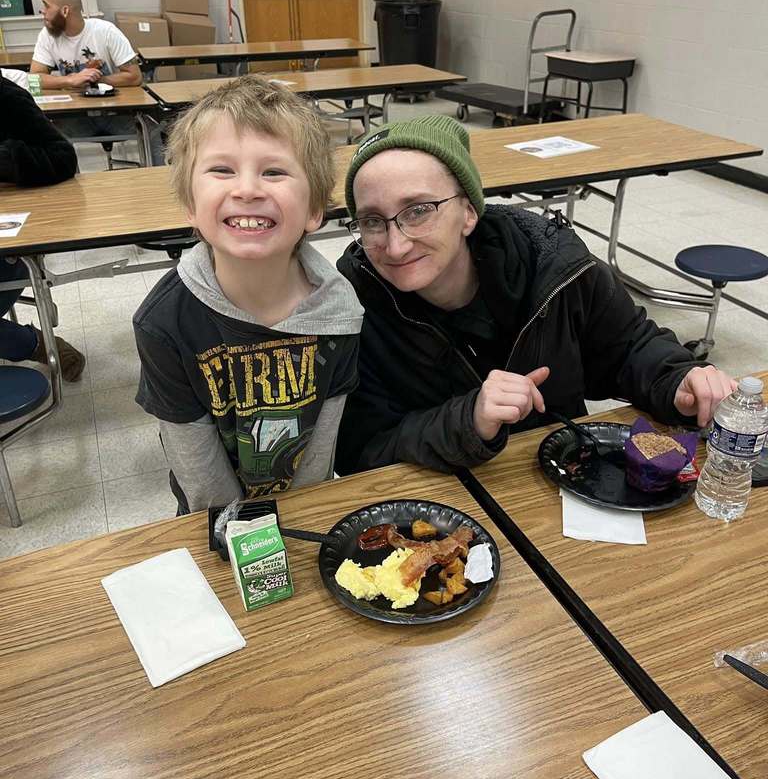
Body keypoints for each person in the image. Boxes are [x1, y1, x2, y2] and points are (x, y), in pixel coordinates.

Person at [334, 115, 736, 475]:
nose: (396, 244)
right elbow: (361, 451)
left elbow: (628, 346)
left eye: (419, 210)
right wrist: (468, 419)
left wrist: (677, 380)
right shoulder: (353, 307)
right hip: (443, 506)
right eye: (372, 221)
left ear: (470, 212)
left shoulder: (556, 267)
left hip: (562, 479)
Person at [132, 75, 363, 513]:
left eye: (274, 171)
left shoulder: (342, 312)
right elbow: (199, 472)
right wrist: (245, 535)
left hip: (303, 506)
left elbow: (320, 455)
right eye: (221, 170)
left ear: (315, 209)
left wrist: (300, 517)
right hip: (213, 516)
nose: (248, 189)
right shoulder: (164, 323)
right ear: (190, 206)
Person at [0, 72, 85, 382]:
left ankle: (38, 346)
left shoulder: (8, 98)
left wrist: (7, 160)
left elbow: (63, 158)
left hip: (9, 249)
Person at [29, 0, 164, 165]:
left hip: (116, 114)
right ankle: (68, 187)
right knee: (45, 133)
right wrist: (71, 79)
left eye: (46, 5)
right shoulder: (47, 37)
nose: (42, 11)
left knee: (151, 129)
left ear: (65, 11)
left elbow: (134, 76)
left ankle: (158, 183)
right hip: (74, 118)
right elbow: (34, 79)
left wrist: (99, 79)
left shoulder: (105, 31)